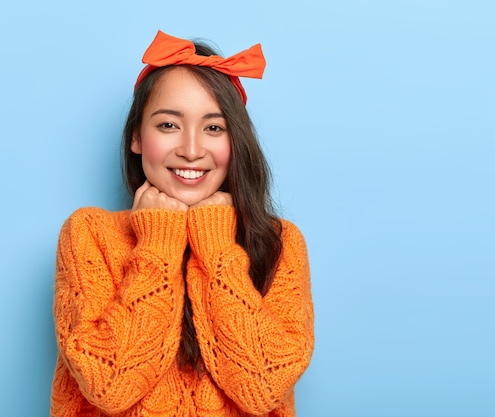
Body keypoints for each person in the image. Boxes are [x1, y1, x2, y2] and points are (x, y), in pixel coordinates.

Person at [50, 30, 314, 417]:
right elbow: (111, 385)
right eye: (169, 125)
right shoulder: (88, 233)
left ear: (235, 142)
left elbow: (262, 387)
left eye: (213, 128)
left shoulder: (280, 243)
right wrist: (158, 243)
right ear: (137, 137)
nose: (191, 150)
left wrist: (217, 246)